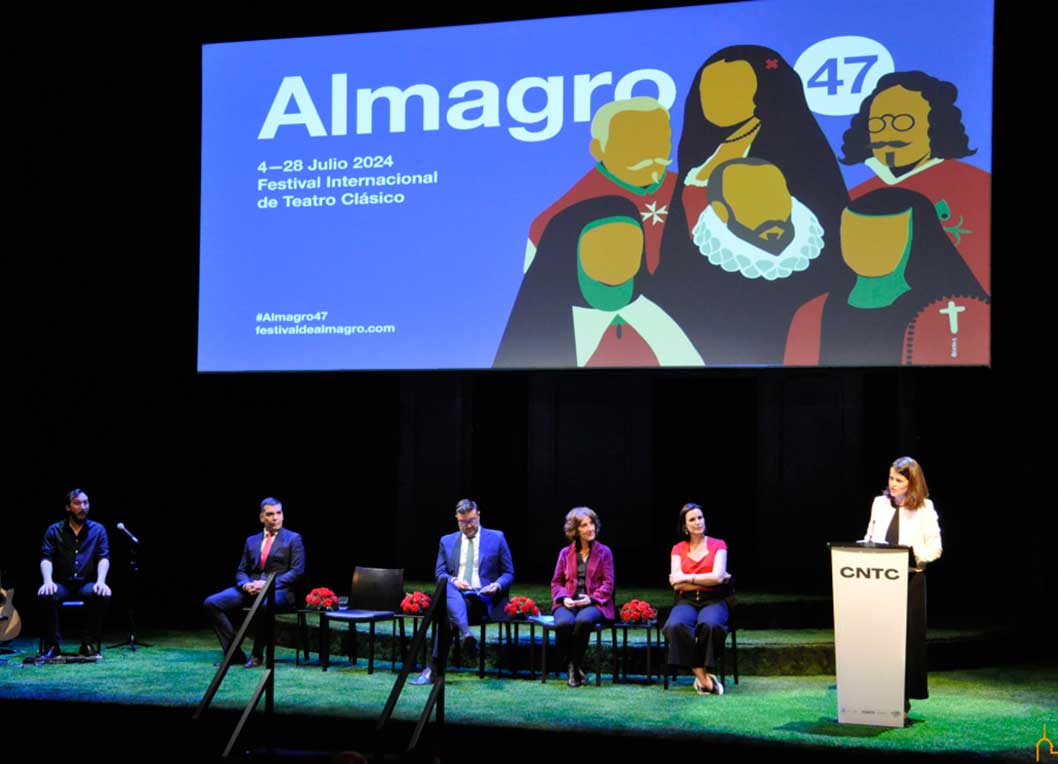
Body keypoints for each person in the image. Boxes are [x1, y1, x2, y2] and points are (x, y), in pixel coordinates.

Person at [784, 187, 990, 366]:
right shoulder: (812, 314)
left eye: (881, 237)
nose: (864, 247)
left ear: (916, 238)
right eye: (853, 234)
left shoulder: (948, 313)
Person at [494, 195, 703, 368]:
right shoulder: (541, 328)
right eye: (603, 245)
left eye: (629, 243)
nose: (618, 256)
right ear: (570, 254)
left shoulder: (657, 316)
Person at [841, 71, 989, 294]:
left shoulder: (977, 185)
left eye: (902, 122)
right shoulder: (856, 198)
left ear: (936, 125)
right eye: (877, 124)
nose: (887, 133)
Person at [524, 97, 677, 278]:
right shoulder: (557, 221)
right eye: (633, 140)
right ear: (597, 149)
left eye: (659, 138)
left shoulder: (696, 193)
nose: (650, 149)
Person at [860, 456, 942, 716]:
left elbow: (935, 548)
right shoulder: (879, 505)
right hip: (880, 580)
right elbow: (870, 537)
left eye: (898, 479)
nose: (892, 484)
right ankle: (878, 696)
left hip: (910, 581)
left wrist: (912, 553)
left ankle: (902, 702)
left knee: (906, 643)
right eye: (890, 478)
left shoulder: (924, 509)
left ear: (912, 482)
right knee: (879, 640)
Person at [410, 498, 514, 686]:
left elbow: (508, 573)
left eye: (472, 520)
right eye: (463, 522)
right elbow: (440, 573)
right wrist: (455, 580)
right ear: (457, 519)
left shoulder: (497, 538)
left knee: (445, 612)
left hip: (482, 600)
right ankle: (465, 634)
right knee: (447, 584)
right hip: (457, 598)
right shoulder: (447, 541)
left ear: (478, 514)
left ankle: (433, 670)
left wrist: (497, 585)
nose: (468, 525)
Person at [203, 497, 305, 668]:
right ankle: (234, 654)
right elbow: (241, 570)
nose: (275, 518)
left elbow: (297, 571)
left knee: (263, 605)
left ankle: (257, 655)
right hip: (251, 588)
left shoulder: (293, 539)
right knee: (211, 603)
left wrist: (266, 584)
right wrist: (245, 584)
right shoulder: (252, 540)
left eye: (278, 513)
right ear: (262, 517)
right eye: (270, 514)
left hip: (278, 590)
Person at [662, 503, 731, 695]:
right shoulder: (678, 549)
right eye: (692, 519)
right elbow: (677, 585)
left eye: (700, 517)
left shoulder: (719, 545)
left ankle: (704, 676)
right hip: (687, 600)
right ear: (685, 526)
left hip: (714, 599)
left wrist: (687, 577)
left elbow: (717, 578)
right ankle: (704, 679)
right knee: (675, 626)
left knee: (711, 625)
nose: (697, 522)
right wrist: (707, 580)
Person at [38, 489, 112, 658]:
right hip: (62, 583)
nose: (82, 507)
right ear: (68, 507)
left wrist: (101, 581)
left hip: (85, 583)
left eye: (85, 503)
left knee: (101, 594)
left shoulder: (98, 530)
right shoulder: (54, 530)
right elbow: (46, 558)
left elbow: (103, 557)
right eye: (77, 503)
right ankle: (53, 645)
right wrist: (47, 581)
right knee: (47, 594)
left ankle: (87, 644)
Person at [549, 506, 615, 687]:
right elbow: (556, 582)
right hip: (569, 601)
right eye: (584, 525)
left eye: (591, 523)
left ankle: (573, 666)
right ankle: (574, 666)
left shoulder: (604, 552)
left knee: (583, 621)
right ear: (574, 530)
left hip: (595, 603)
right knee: (563, 623)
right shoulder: (565, 553)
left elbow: (608, 584)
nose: (590, 528)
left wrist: (592, 599)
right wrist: (564, 598)